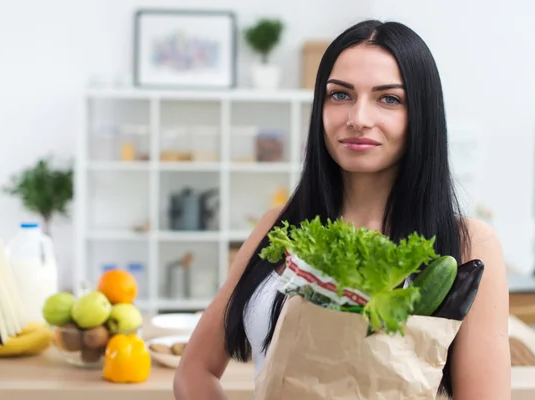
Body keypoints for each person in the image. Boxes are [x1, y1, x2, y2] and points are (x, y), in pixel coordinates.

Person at [173, 19, 511, 400]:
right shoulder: (278, 226)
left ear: (422, 114)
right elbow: (195, 370)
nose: (358, 119)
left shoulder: (469, 244)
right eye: (340, 95)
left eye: (389, 99)